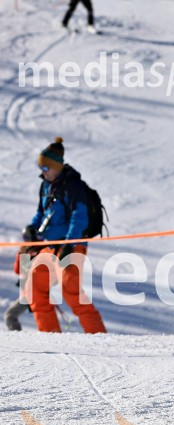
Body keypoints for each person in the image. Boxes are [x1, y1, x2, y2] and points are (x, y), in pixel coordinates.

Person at [25, 137, 106, 334]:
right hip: (51, 246)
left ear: (57, 167)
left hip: (71, 245)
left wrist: (70, 243)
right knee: (34, 287)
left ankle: (98, 337)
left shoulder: (73, 186)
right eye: (40, 168)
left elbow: (79, 216)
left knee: (70, 291)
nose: (42, 172)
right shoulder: (46, 185)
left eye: (45, 168)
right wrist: (32, 228)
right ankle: (50, 335)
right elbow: (41, 212)